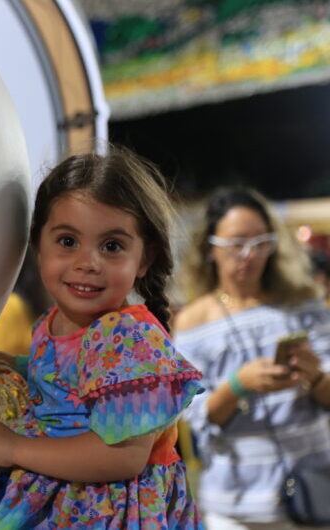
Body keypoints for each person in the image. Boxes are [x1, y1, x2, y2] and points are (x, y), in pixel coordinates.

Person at [0, 147, 205, 528]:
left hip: (111, 512)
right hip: (62, 498)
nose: (87, 263)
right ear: (37, 243)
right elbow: (72, 382)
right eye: (67, 241)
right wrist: (14, 365)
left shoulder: (128, 338)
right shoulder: (53, 323)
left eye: (111, 246)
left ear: (144, 259)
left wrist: (16, 448)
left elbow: (122, 456)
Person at [174, 187, 330, 529]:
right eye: (236, 244)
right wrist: (237, 385)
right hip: (235, 503)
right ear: (210, 248)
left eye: (261, 243)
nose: (250, 255)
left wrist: (316, 376)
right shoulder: (192, 323)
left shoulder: (303, 303)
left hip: (313, 492)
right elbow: (195, 416)